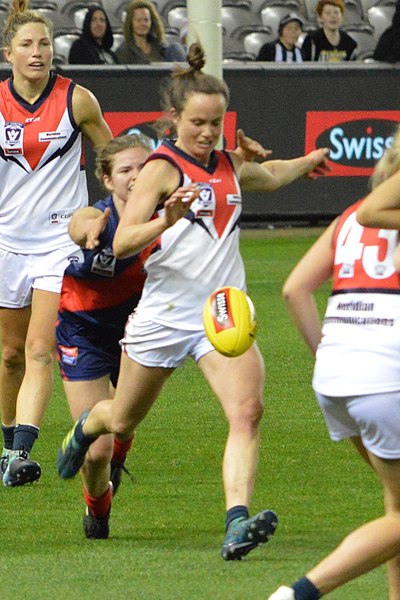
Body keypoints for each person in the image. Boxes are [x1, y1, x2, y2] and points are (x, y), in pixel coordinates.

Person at [57, 42, 329, 559]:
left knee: (247, 412)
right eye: (198, 122)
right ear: (175, 118)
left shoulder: (228, 163)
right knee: (119, 423)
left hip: (222, 313)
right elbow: (120, 242)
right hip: (162, 314)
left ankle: (236, 522)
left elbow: (268, 175)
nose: (207, 132)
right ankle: (88, 425)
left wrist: (308, 160)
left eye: (216, 122)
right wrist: (166, 220)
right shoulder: (160, 169)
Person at [267, 128, 400, 599]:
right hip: (386, 378)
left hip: (337, 377)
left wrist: (333, 356)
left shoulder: (347, 219)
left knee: (396, 509)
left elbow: (294, 289)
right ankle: (300, 593)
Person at [0, 0, 112, 487]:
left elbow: (111, 160)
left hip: (58, 244)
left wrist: (111, 213)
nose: (38, 52)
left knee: (40, 347)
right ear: (9, 53)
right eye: (27, 44)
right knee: (9, 354)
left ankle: (23, 450)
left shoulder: (77, 100)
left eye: (44, 43)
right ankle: (8, 448)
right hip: (6, 244)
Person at [115, 0, 186, 64]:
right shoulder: (123, 51)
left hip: (166, 77)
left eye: (146, 20)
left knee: (175, 47)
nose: (143, 24)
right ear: (130, 23)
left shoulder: (161, 47)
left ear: (151, 22)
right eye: (138, 20)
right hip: (142, 78)